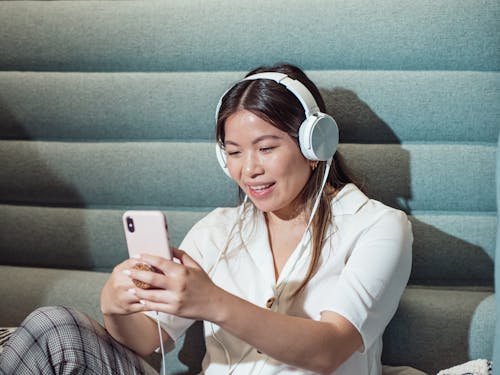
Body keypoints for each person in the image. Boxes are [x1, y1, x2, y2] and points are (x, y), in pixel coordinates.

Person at [0, 63, 412, 375]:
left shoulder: (377, 227)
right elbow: (149, 339)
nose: (248, 168)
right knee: (53, 327)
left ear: (314, 144)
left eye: (265, 148)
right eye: (233, 152)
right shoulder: (218, 230)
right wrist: (115, 308)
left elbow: (330, 348)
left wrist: (213, 302)